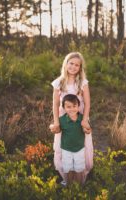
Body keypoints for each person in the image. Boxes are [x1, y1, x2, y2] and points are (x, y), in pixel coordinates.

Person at [49, 52, 93, 185]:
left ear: (80, 68)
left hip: (80, 119)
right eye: (71, 63)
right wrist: (56, 122)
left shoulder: (83, 83)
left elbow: (87, 102)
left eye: (77, 65)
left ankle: (81, 177)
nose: (73, 67)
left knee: (82, 146)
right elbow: (56, 104)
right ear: (66, 64)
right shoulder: (58, 83)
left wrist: (85, 119)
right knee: (63, 147)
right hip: (64, 120)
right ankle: (66, 178)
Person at [50, 94, 91, 185]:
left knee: (79, 168)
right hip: (66, 149)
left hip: (79, 149)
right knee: (67, 168)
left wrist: (87, 130)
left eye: (74, 106)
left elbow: (88, 130)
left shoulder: (82, 119)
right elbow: (57, 130)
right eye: (68, 107)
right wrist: (52, 127)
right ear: (64, 108)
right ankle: (69, 185)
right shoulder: (62, 120)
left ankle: (79, 186)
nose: (72, 109)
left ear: (78, 106)